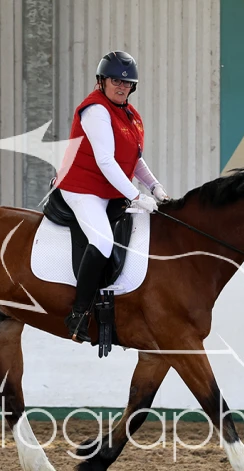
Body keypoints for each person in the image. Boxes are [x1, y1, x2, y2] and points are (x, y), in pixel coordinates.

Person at [55, 50, 169, 343]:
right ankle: (79, 314)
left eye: (127, 83)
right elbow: (106, 160)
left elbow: (134, 159)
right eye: (116, 81)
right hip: (82, 188)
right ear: (102, 81)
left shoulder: (130, 115)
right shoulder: (95, 111)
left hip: (109, 190)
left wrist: (155, 187)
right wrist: (136, 196)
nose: (122, 87)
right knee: (104, 241)